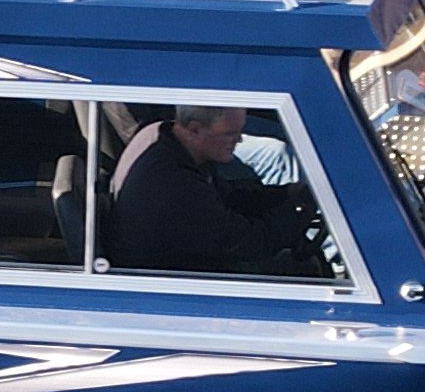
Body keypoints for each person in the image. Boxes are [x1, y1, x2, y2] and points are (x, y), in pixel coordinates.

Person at [105, 107, 324, 277]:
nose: (238, 140)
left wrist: (286, 194)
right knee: (307, 269)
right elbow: (255, 243)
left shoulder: (165, 138)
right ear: (195, 129)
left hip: (190, 257)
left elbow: (228, 198)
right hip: (180, 285)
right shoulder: (175, 188)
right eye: (230, 133)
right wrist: (301, 206)